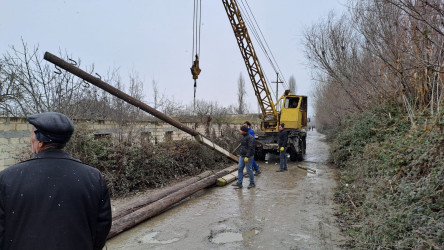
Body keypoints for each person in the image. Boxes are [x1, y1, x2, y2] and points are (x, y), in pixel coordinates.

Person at [0, 112, 112, 250]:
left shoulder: (7, 178)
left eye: (31, 135)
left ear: (39, 141)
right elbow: (102, 228)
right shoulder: (94, 177)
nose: (30, 140)